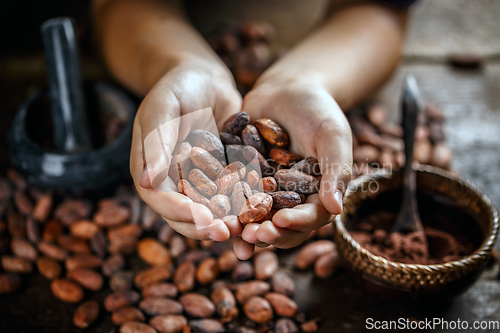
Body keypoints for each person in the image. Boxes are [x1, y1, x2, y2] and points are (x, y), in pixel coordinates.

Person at [93, 0, 414, 259]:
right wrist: (183, 66)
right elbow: (116, 7)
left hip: (324, 52)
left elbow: (381, 9)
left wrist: (305, 80)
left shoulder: (261, 160)